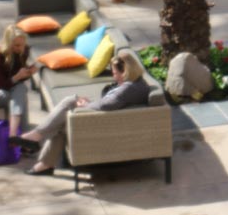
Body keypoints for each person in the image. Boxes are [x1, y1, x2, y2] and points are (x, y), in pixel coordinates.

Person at [12, 49, 150, 177]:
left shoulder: (129, 88)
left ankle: (36, 137)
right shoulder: (136, 82)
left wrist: (86, 105)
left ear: (125, 71)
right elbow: (111, 102)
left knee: (69, 102)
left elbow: (106, 105)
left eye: (115, 73)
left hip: (102, 123)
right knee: (62, 121)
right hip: (106, 117)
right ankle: (44, 162)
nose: (114, 77)